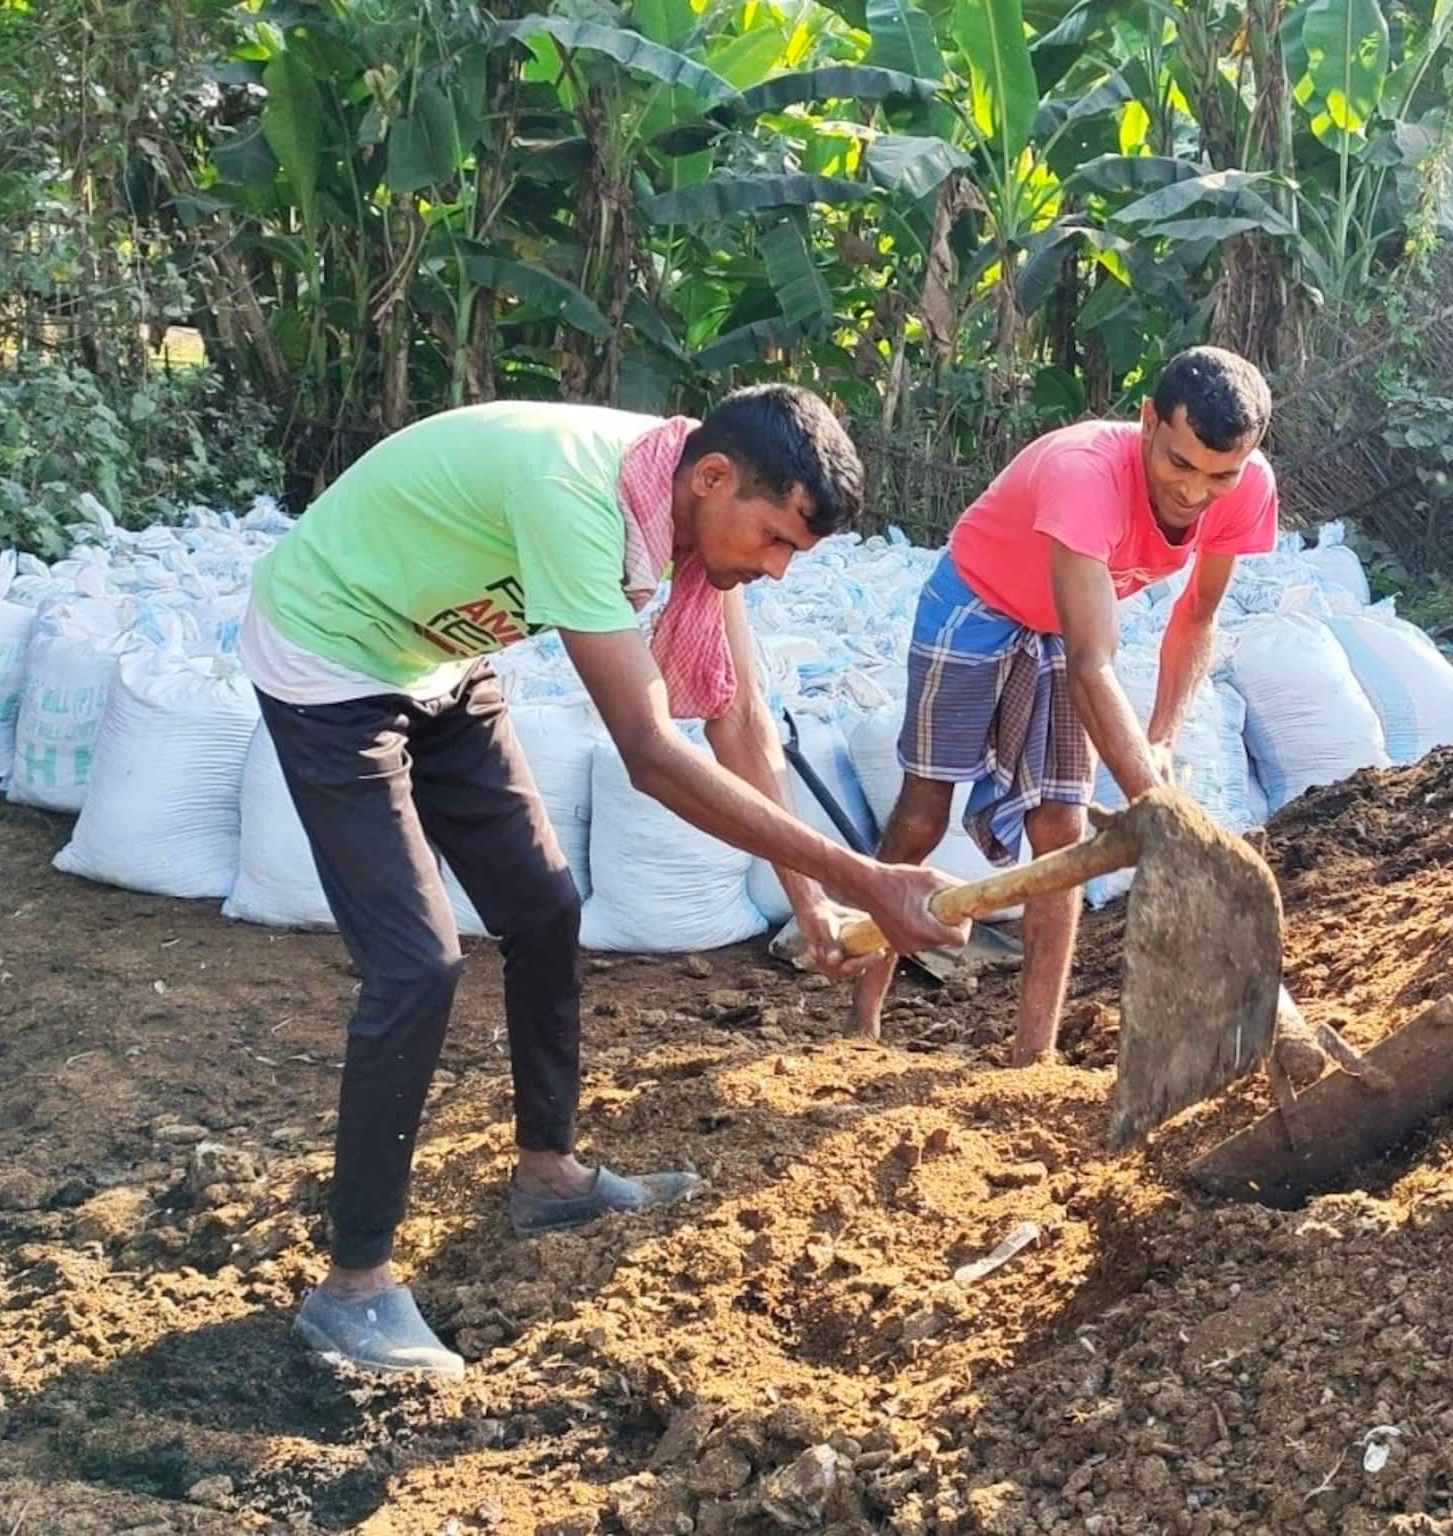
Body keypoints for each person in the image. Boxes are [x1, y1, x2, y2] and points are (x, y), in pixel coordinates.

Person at [239, 386, 968, 1379]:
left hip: (436, 659)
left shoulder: (685, 513)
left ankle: (550, 1176)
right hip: (330, 654)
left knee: (545, 908)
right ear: (711, 480)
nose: (772, 567)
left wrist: (816, 906)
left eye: (793, 553)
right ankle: (352, 1289)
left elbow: (741, 725)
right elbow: (648, 752)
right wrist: (864, 873)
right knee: (415, 966)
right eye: (771, 539)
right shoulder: (577, 498)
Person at [852, 346, 1279, 1063]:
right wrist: (1155, 805)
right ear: (1148, 421)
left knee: (1064, 826)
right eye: (1179, 465)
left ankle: (1032, 1055)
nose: (1195, 493)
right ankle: (860, 1022)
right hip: (977, 601)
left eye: (1220, 475)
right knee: (924, 813)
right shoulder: (1085, 475)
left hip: (1062, 621)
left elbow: (1197, 617)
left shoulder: (1248, 489)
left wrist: (1162, 740)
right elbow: (1092, 663)